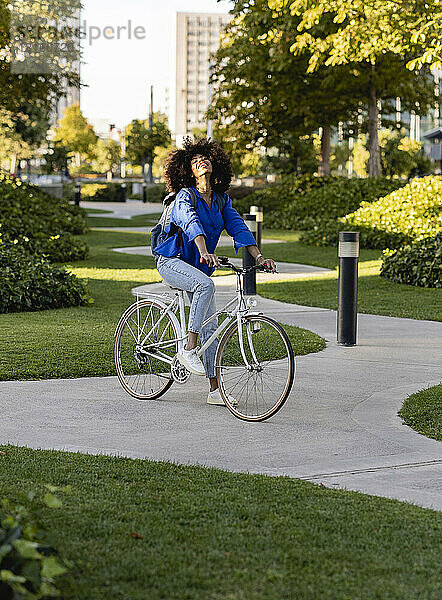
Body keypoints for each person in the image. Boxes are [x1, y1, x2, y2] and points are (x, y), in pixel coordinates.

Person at [153, 137, 276, 406]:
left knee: (213, 331)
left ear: (215, 164)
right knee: (205, 286)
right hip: (171, 261)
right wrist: (203, 250)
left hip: (198, 266)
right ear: (188, 171)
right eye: (195, 161)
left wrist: (259, 257)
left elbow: (238, 227)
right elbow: (189, 221)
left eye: (205, 158)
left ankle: (214, 391)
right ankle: (188, 348)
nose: (201, 161)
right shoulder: (184, 196)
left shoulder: (221, 201)